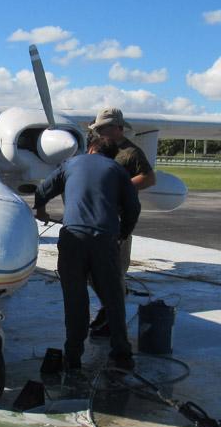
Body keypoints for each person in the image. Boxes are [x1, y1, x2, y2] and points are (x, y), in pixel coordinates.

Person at [34, 134, 141, 371]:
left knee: (76, 299)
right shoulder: (118, 171)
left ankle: (72, 356)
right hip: (105, 240)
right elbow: (133, 207)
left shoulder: (72, 163)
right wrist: (122, 233)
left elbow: (43, 189)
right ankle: (122, 354)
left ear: (91, 149)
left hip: (73, 240)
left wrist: (41, 211)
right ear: (112, 155)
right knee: (113, 298)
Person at [86, 107, 156, 337]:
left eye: (102, 128)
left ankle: (112, 321)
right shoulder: (103, 149)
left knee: (115, 271)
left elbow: (148, 177)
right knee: (92, 271)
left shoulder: (130, 152)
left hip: (117, 220)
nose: (99, 132)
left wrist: (120, 187)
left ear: (117, 127)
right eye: (97, 129)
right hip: (97, 218)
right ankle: (108, 309)